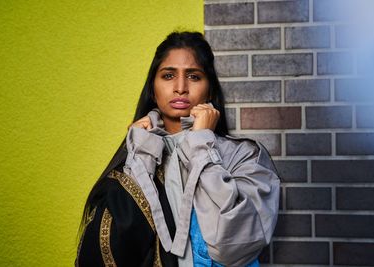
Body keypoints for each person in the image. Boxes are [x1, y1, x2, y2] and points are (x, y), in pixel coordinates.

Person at [75, 31, 280, 267]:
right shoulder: (140, 152)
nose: (180, 87)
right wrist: (140, 157)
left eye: (193, 76)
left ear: (210, 89)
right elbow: (118, 245)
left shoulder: (244, 156)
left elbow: (234, 248)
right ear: (153, 88)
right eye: (168, 75)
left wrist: (201, 144)